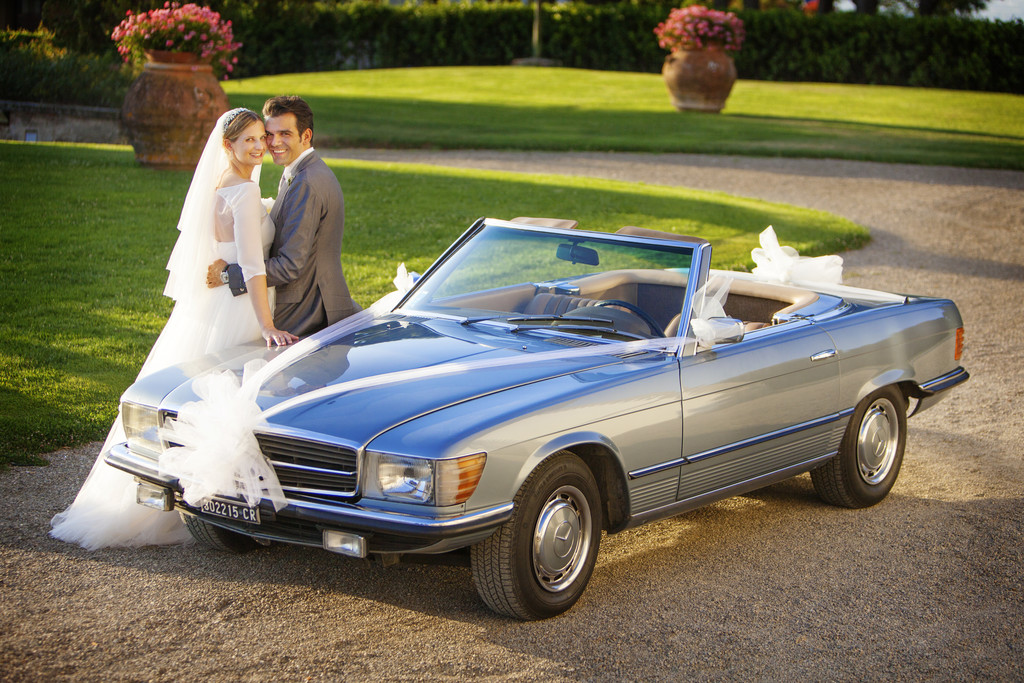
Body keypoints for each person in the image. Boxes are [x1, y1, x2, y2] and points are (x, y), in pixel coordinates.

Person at [50, 107, 298, 550]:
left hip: (216, 302)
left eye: (261, 138)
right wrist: (267, 324)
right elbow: (253, 267)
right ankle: (227, 501)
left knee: (193, 397)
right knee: (228, 401)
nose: (259, 146)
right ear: (228, 145)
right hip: (241, 308)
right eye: (248, 140)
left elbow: (224, 248)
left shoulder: (224, 184)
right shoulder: (242, 192)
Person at [207, 95, 361, 336]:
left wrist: (228, 274)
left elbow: (290, 265)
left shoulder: (307, 182)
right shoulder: (301, 170)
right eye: (269, 134)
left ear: (306, 136)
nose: (273, 143)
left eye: (285, 134)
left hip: (307, 311)